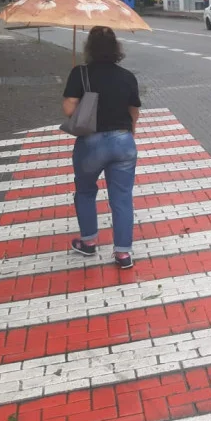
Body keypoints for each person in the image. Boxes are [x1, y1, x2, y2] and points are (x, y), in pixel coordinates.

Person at [62, 26, 141, 269]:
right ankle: (123, 253)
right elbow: (133, 111)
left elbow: (68, 110)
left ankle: (88, 242)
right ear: (116, 49)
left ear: (90, 49)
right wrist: (130, 131)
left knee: (85, 191)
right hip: (123, 142)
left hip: (91, 143)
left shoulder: (80, 73)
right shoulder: (127, 76)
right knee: (122, 198)